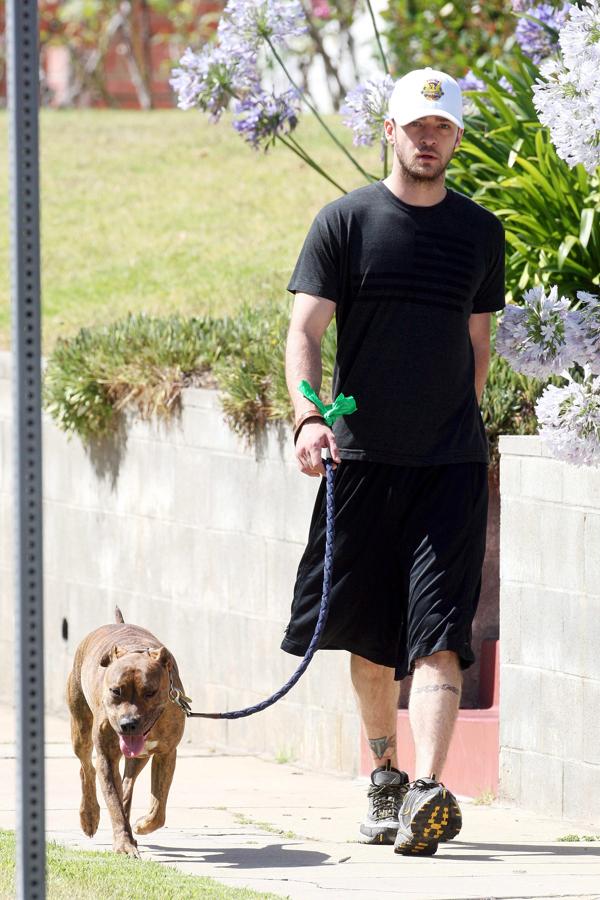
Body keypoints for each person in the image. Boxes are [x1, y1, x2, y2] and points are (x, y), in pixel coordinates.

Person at [281, 66, 505, 857]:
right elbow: (304, 332)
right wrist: (309, 415)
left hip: (448, 467)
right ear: (390, 130)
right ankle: (383, 774)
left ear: (457, 137)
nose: (428, 138)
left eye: (441, 128)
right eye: (416, 125)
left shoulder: (480, 232)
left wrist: (456, 423)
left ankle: (429, 791)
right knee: (374, 640)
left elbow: (477, 347)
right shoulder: (344, 222)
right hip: (363, 462)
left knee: (440, 635)